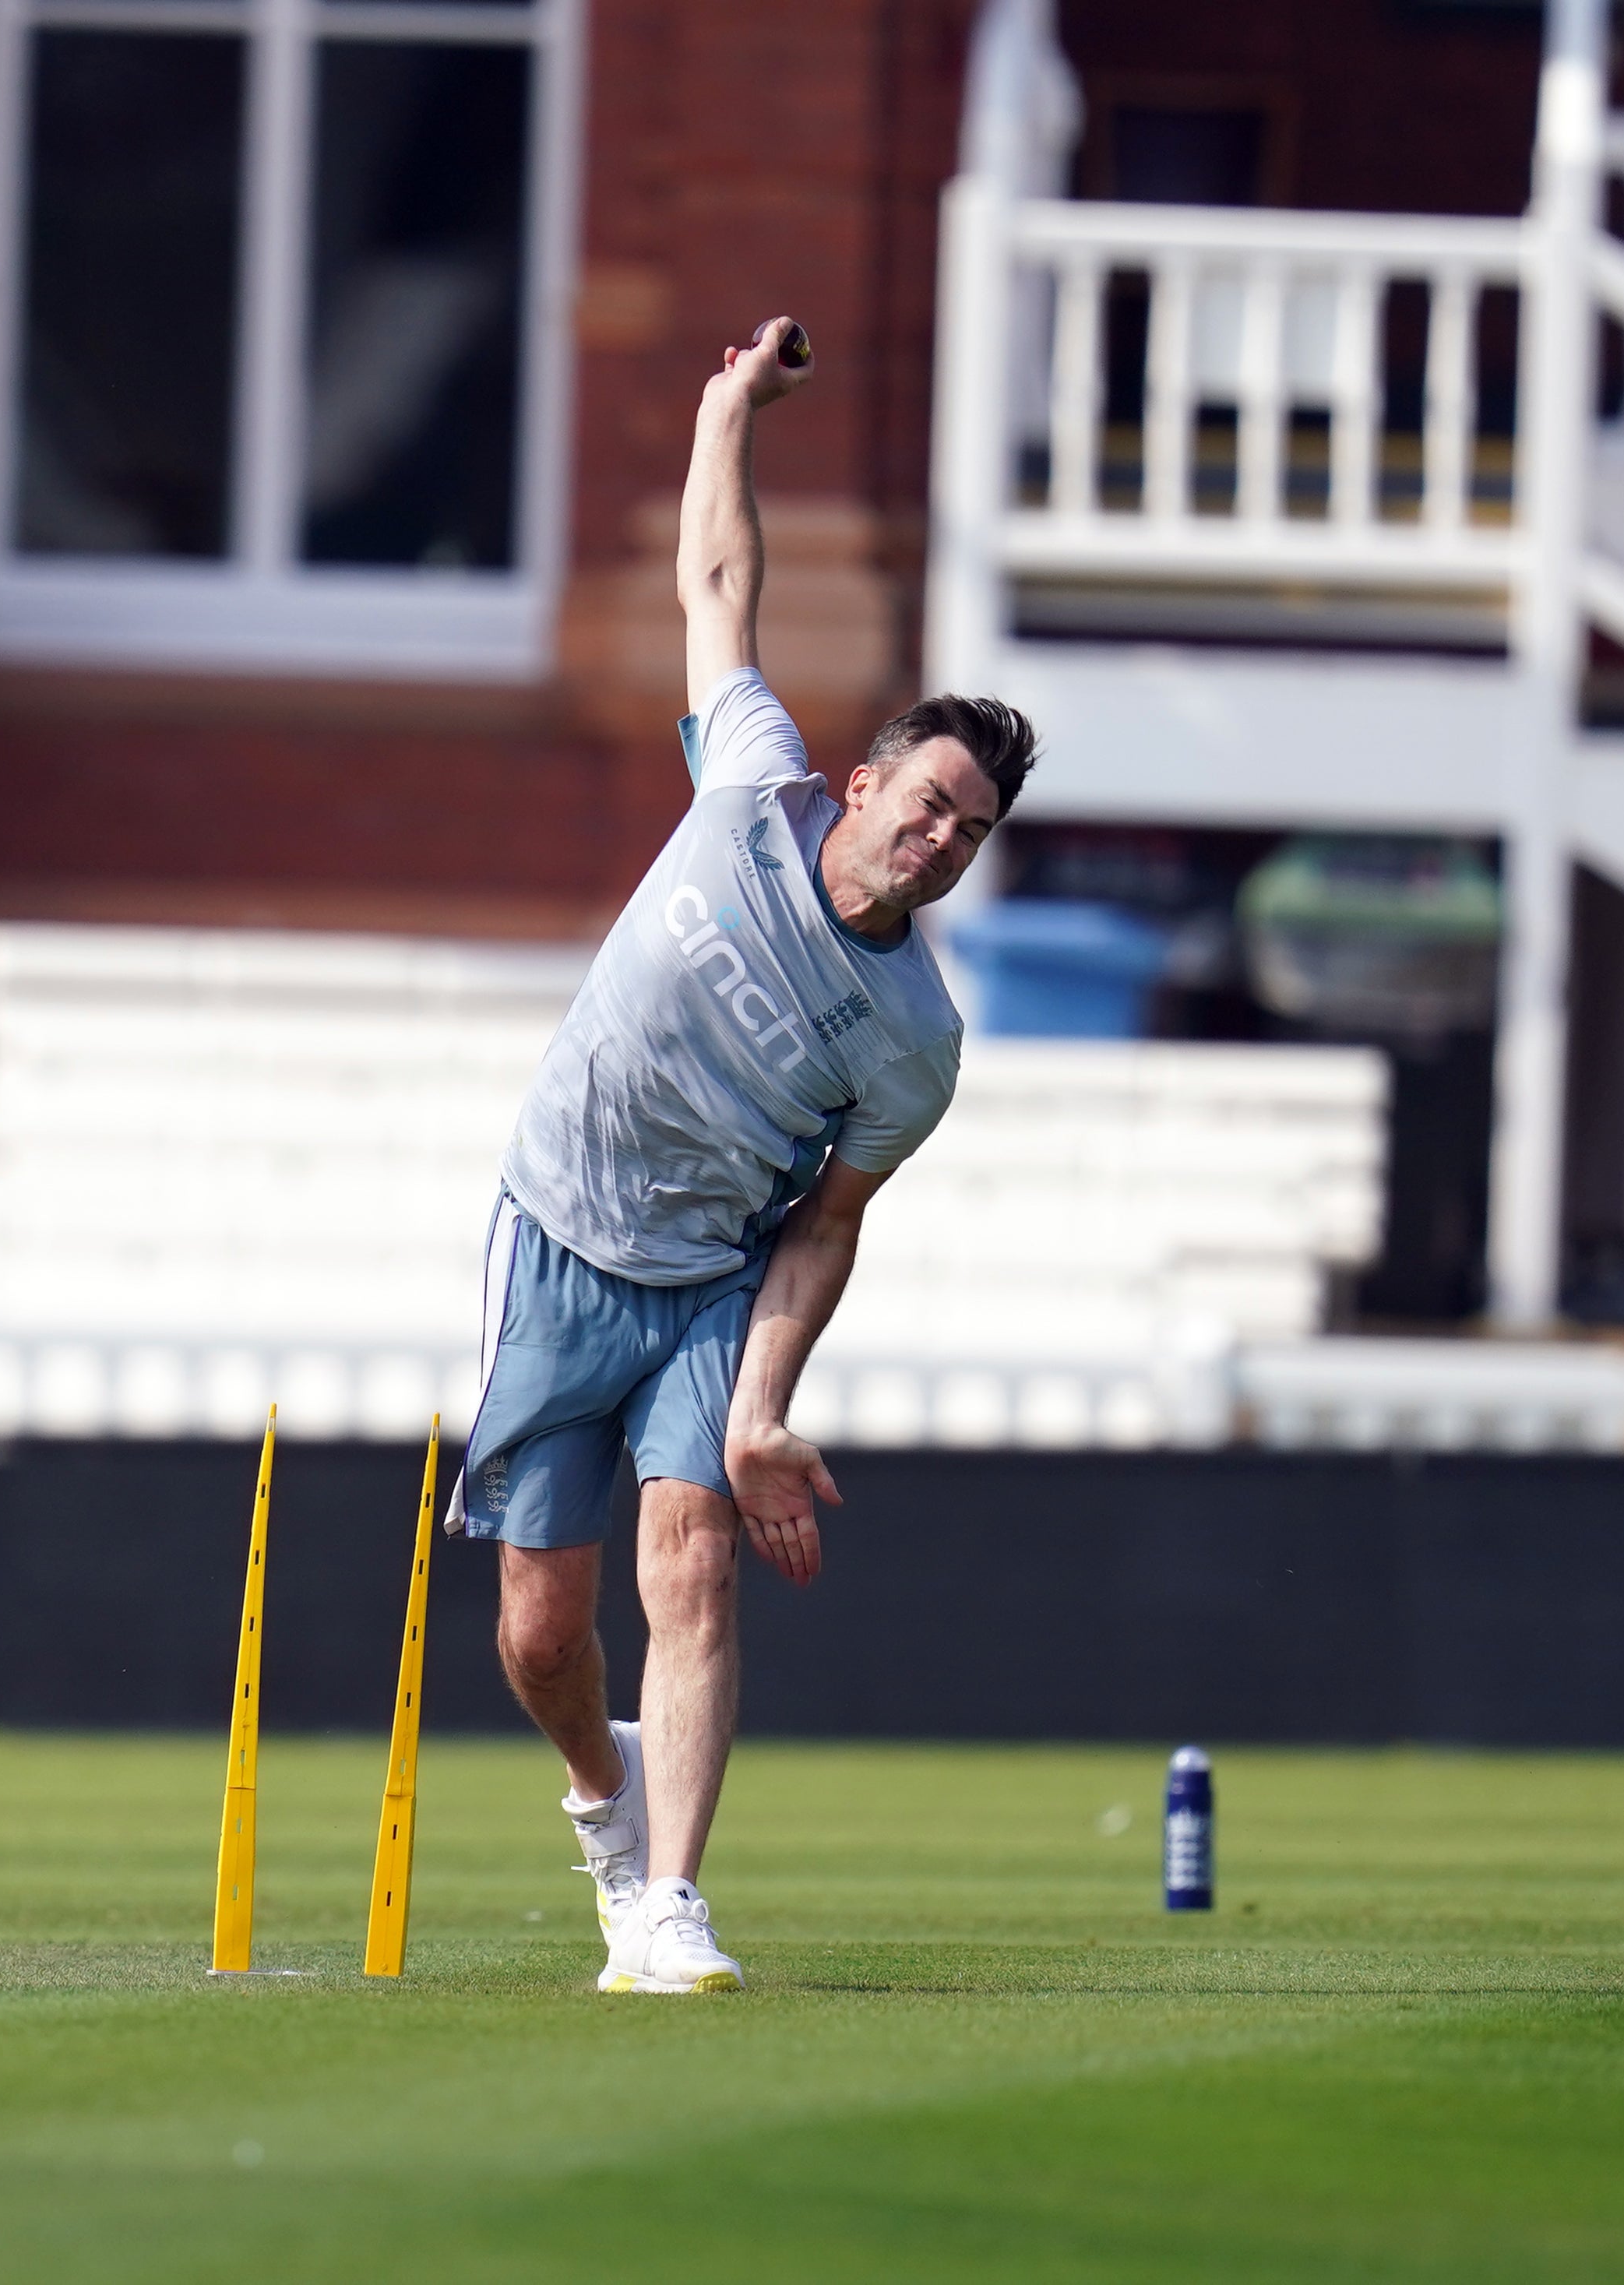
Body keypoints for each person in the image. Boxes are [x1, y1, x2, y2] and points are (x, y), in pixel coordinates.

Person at [462, 319, 1037, 1992]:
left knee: (691, 1558)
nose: (934, 840)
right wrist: (729, 411)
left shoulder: (914, 1043)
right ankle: (602, 1801)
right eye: (924, 801)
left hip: (712, 1278)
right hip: (558, 1238)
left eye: (966, 835)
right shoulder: (748, 790)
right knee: (538, 1634)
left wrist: (766, 1401)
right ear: (861, 781)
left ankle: (669, 1909)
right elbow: (716, 581)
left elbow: (826, 1227)